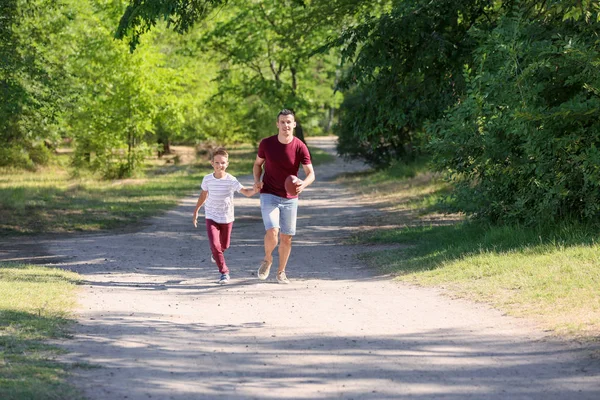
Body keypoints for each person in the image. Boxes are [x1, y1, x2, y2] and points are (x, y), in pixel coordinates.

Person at [252, 109, 315, 284]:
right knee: (272, 231)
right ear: (277, 124)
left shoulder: (300, 146)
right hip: (269, 193)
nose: (286, 125)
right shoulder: (266, 144)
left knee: (286, 237)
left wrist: (303, 183)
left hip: (290, 197)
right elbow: (258, 165)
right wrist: (257, 180)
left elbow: (311, 173)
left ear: (294, 124)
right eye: (282, 122)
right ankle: (267, 259)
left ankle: (281, 272)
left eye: (289, 122)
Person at [193, 148, 256, 284]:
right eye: (217, 162)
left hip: (227, 217)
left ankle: (216, 254)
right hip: (211, 216)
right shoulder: (207, 179)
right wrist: (196, 210)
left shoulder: (231, 180)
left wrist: (255, 190)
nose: (219, 165)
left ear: (227, 164)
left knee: (224, 245)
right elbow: (203, 195)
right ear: (211, 163)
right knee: (215, 246)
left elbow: (245, 191)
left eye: (222, 163)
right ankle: (224, 273)